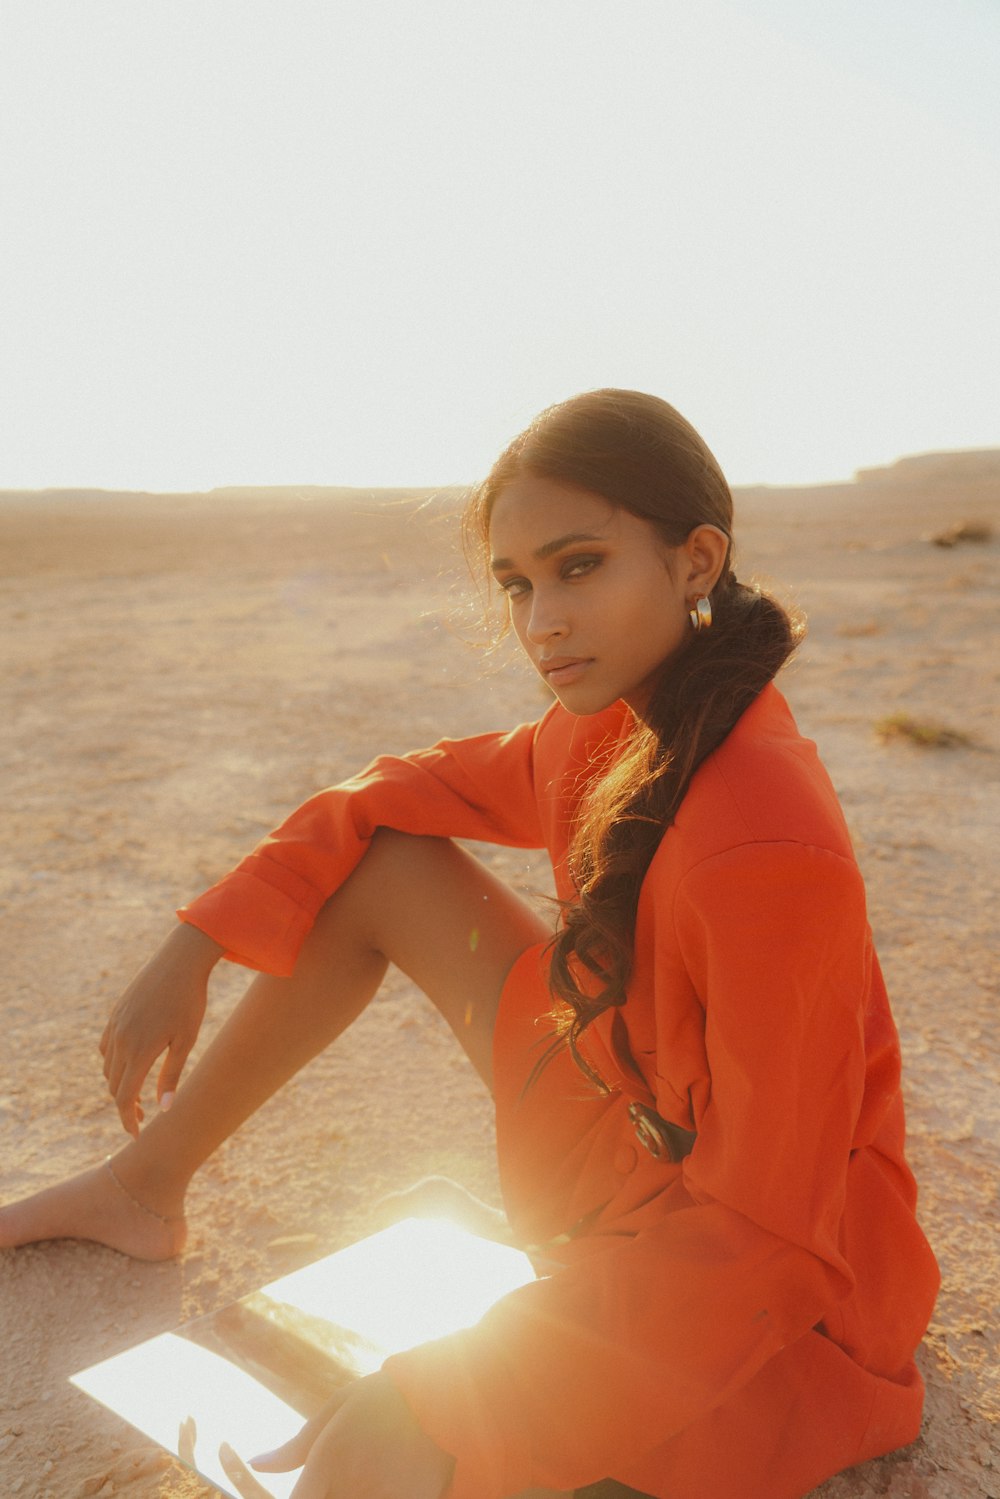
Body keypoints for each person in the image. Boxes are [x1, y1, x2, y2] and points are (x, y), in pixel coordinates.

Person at [0, 390, 939, 1499]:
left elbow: (774, 1237)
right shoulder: (614, 724)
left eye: (578, 565)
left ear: (695, 561)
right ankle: (142, 1187)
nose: (539, 619)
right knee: (386, 858)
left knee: (402, 1446)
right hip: (640, 1147)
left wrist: (461, 1386)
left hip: (780, 1299)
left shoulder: (767, 843)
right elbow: (396, 792)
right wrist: (198, 937)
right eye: (516, 583)